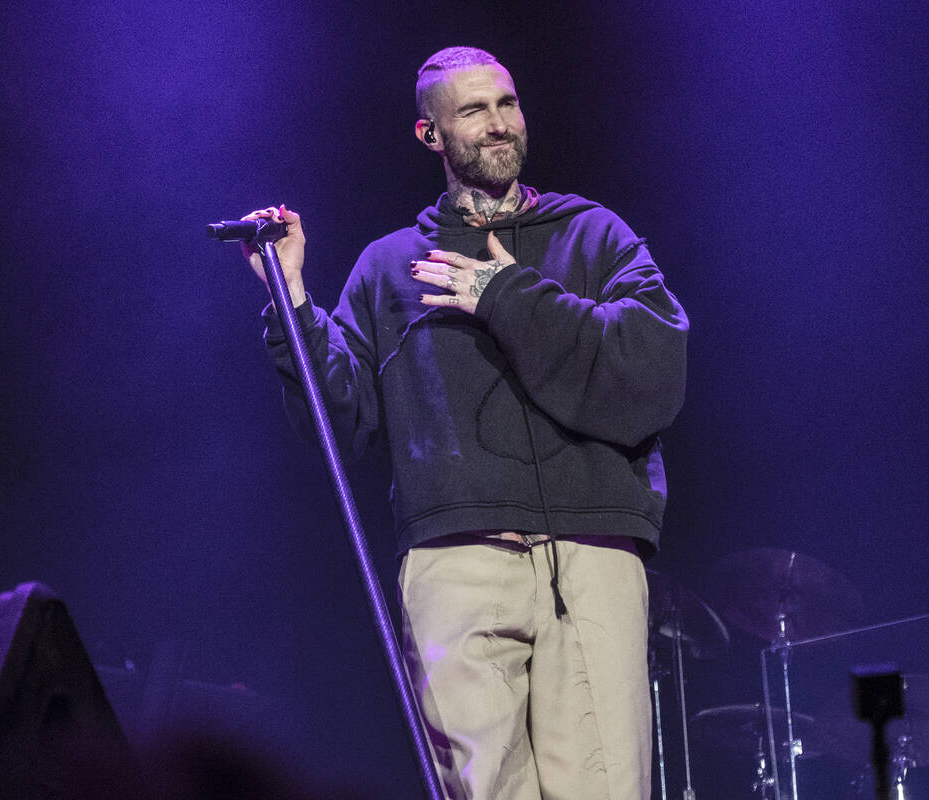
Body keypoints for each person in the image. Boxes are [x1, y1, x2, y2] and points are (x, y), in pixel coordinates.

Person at [240, 46, 687, 800]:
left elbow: (653, 368)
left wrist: (507, 293)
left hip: (591, 552)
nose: (499, 124)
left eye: (508, 103)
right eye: (474, 110)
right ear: (432, 135)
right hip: (456, 559)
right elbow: (337, 418)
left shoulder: (593, 235)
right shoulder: (389, 268)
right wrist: (291, 298)